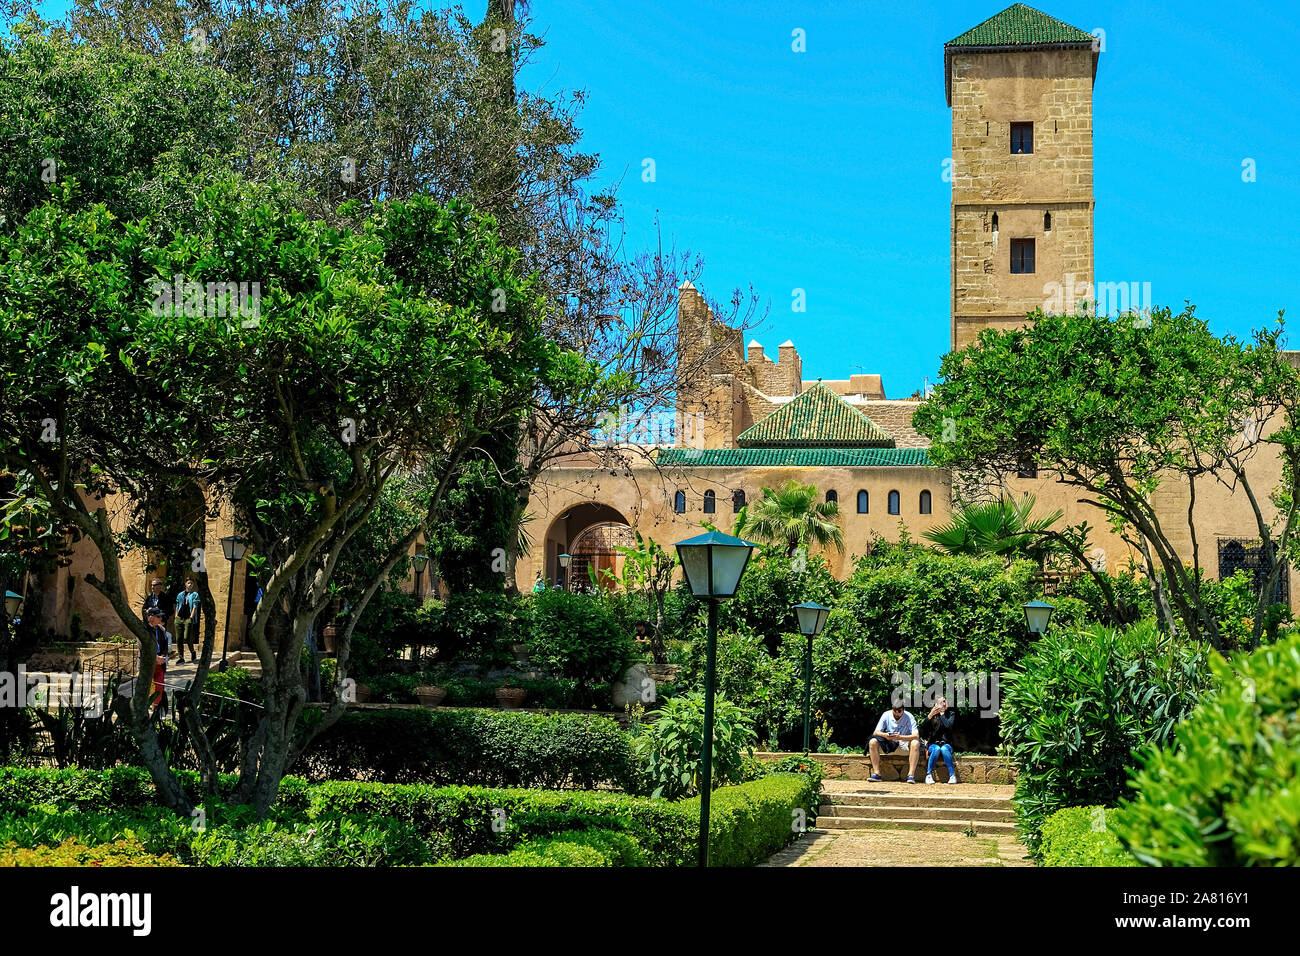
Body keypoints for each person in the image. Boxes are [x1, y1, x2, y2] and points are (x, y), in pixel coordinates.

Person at [868, 703, 923, 783]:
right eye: (894, 711)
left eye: (899, 711)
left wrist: (900, 737)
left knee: (915, 743)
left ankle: (911, 775)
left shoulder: (909, 716)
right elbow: (876, 732)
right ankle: (877, 774)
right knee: (872, 742)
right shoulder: (886, 714)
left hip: (904, 745)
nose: (897, 713)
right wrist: (885, 735)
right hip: (889, 745)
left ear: (904, 710)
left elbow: (916, 736)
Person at [921, 696, 958, 784]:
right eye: (941, 702)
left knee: (944, 749)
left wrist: (942, 714)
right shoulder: (932, 716)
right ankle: (929, 775)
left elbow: (948, 726)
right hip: (933, 745)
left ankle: (952, 776)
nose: (944, 704)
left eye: (945, 701)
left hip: (947, 744)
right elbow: (922, 729)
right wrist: (930, 715)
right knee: (937, 749)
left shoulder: (951, 714)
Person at [174, 578, 201, 664]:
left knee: (187, 637)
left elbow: (195, 606)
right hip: (179, 618)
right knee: (178, 638)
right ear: (185, 584)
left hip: (188, 618)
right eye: (189, 583)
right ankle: (181, 657)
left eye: (192, 583)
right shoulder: (180, 594)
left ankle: (192, 651)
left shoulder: (195, 594)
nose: (190, 585)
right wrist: (176, 616)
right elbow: (177, 605)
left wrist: (191, 617)